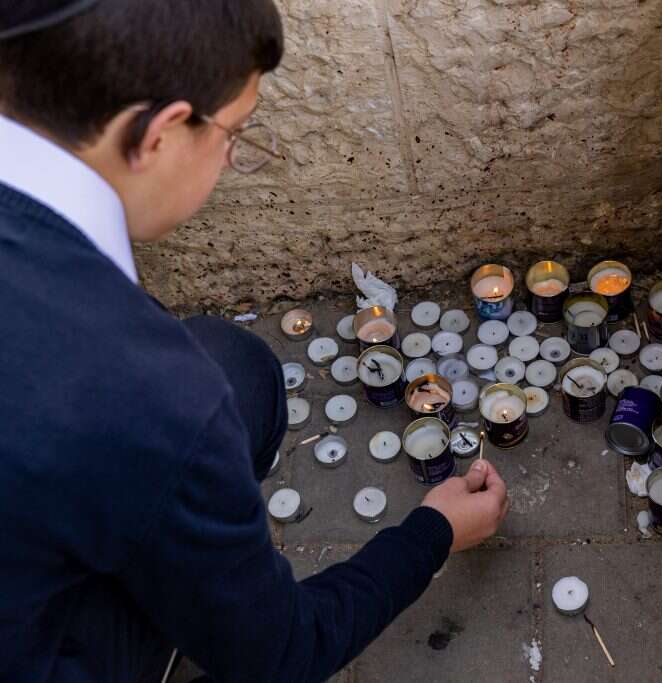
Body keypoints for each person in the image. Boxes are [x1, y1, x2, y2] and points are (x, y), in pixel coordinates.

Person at [0, 2, 509, 682]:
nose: (233, 156)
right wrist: (433, 532)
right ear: (160, 133)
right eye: (234, 134)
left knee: (239, 366)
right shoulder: (154, 393)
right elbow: (282, 652)